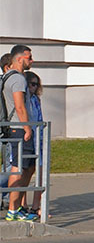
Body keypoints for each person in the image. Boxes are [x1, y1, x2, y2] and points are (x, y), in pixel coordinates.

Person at [2, 45, 37, 221]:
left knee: (28, 167)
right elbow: (19, 105)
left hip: (17, 127)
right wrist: (27, 127)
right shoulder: (18, 79)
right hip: (19, 128)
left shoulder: (10, 77)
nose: (31, 60)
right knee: (18, 168)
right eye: (29, 57)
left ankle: (18, 208)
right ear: (19, 59)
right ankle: (13, 209)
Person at [23, 71, 46, 219]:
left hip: (38, 137)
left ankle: (36, 206)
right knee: (23, 171)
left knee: (39, 171)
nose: (34, 87)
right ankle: (22, 205)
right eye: (32, 84)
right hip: (26, 136)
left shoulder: (36, 99)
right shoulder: (23, 98)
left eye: (36, 84)